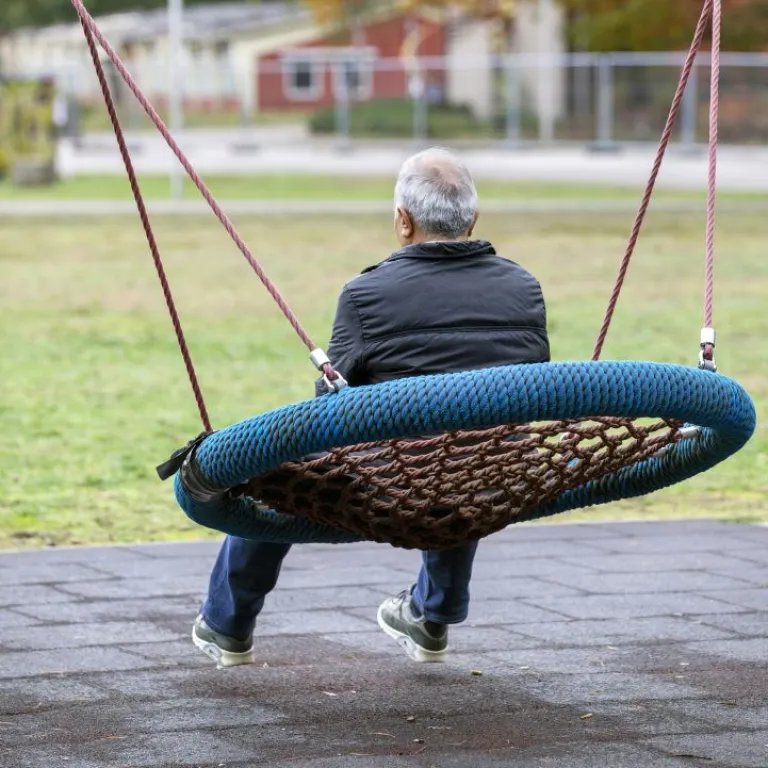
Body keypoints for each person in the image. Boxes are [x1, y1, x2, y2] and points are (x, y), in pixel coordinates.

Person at [192, 147, 550, 667]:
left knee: (269, 475)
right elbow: (527, 383)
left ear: (403, 222)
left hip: (394, 486)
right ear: (472, 220)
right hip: (493, 478)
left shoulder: (366, 294)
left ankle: (227, 624)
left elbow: (332, 409)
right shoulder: (524, 288)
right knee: (472, 441)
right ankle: (433, 614)